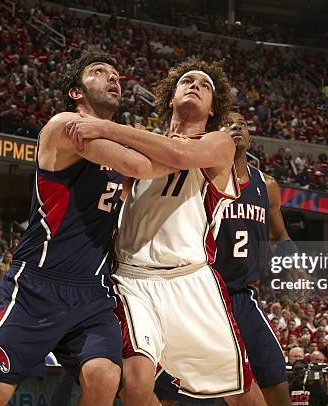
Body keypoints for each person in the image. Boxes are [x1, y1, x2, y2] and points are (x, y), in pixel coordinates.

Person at [0, 51, 170, 406]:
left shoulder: (113, 140)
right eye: (100, 71)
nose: (114, 78)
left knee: (105, 377)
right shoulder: (63, 125)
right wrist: (166, 148)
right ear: (76, 91)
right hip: (36, 286)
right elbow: (140, 163)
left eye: (117, 74)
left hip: (91, 291)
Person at [68, 58, 263, 404]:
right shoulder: (143, 146)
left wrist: (105, 129)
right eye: (187, 81)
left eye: (205, 86)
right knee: (135, 381)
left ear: (213, 106)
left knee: (240, 391)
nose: (195, 86)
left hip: (190, 279)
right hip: (133, 279)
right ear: (170, 98)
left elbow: (177, 153)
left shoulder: (219, 143)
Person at [154, 112, 296, 405]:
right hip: (200, 295)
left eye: (242, 123)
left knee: (276, 377)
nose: (236, 127)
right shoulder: (200, 177)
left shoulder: (265, 185)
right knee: (172, 389)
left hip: (242, 296)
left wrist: (298, 266)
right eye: (227, 123)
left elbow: (279, 235)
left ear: (250, 136)